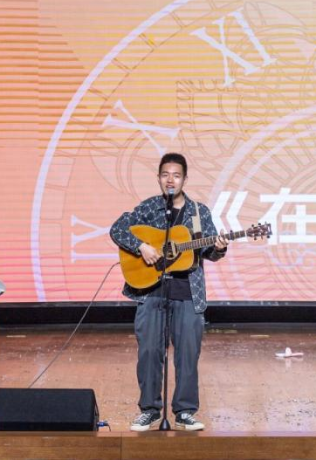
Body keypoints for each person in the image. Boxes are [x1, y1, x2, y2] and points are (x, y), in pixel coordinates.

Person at [110, 152, 228, 432]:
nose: (170, 180)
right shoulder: (149, 207)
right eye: (165, 175)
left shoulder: (199, 213)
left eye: (176, 175)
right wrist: (141, 246)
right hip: (151, 290)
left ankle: (185, 411)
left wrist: (219, 248)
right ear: (159, 178)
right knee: (149, 352)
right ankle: (149, 410)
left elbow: (208, 251)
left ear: (185, 179)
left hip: (187, 292)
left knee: (187, 354)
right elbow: (117, 229)